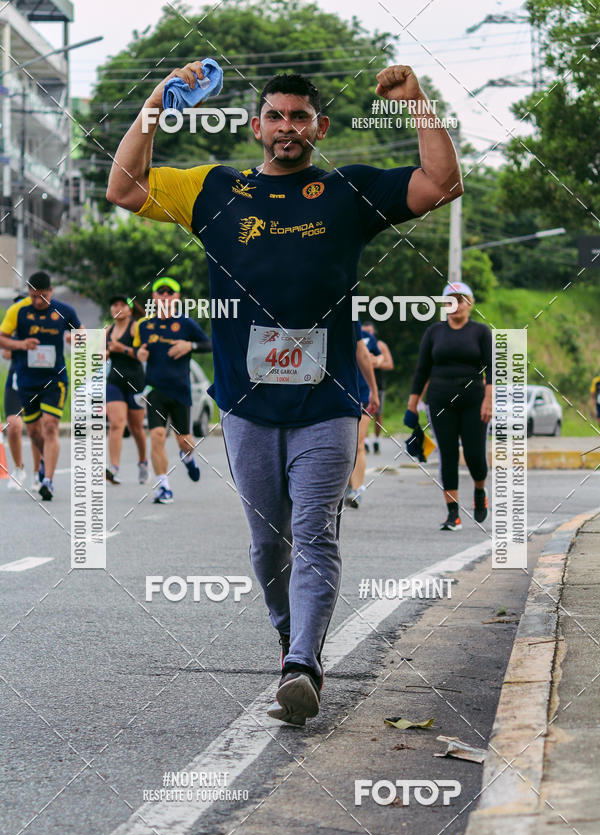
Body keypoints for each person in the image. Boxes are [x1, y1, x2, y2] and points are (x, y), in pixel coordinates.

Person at [107, 62, 463, 724]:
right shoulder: (214, 191)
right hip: (246, 409)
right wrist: (157, 102)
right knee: (268, 542)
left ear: (319, 127)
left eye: (300, 117)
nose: (287, 127)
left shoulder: (346, 192)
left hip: (328, 406)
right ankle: (289, 636)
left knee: (313, 531)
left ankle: (303, 664)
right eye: (276, 115)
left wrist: (416, 102)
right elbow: (124, 188)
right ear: (256, 127)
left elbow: (441, 183)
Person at [407, 281, 492, 531]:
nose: (455, 305)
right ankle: (453, 514)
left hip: (473, 400)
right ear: (445, 305)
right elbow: (422, 370)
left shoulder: (481, 332)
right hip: (440, 399)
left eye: (461, 299)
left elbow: (492, 369)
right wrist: (412, 406)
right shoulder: (434, 332)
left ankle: (479, 490)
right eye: (450, 301)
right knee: (448, 455)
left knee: (475, 454)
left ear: (470, 303)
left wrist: (489, 400)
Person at [0, 272, 82, 501]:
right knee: (35, 431)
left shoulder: (64, 310)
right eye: (33, 296)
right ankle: (44, 462)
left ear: (51, 291)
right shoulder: (18, 311)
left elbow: (82, 334)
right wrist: (21, 344)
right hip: (27, 381)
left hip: (55, 380)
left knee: (51, 426)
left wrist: (74, 339)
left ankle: (48, 481)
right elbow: (2, 338)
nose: (38, 301)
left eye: (42, 297)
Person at [133, 277, 211, 504]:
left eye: (170, 293)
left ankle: (188, 459)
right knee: (156, 436)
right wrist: (140, 355)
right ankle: (163, 486)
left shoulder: (186, 324)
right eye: (160, 292)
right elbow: (139, 350)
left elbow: (209, 344)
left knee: (184, 441)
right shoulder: (145, 325)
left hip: (180, 390)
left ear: (177, 297)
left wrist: (190, 345)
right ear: (154, 298)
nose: (165, 296)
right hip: (155, 389)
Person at [105, 295, 148, 484]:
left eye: (123, 305)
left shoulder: (136, 327)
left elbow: (141, 356)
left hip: (135, 382)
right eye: (114, 304)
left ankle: (143, 462)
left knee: (136, 428)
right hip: (114, 382)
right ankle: (113, 467)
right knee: (116, 423)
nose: (118, 308)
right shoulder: (108, 331)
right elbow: (99, 353)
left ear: (130, 309)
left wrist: (120, 348)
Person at [2, 296, 41, 490]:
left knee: (36, 429)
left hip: (38, 383)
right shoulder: (12, 331)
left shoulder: (42, 327)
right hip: (16, 382)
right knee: (13, 425)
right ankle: (19, 468)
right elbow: (6, 353)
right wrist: (20, 345)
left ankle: (38, 473)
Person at [345, 325, 380, 509]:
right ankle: (346, 485)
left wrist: (374, 391)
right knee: (344, 445)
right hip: (339, 394)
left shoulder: (366, 337)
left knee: (358, 443)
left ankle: (356, 490)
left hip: (362, 393)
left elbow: (380, 357)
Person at [362, 322, 393, 454]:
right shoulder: (360, 344)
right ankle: (364, 440)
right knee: (363, 414)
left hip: (378, 385)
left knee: (377, 413)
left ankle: (376, 439)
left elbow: (389, 364)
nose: (368, 334)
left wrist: (373, 363)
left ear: (374, 332)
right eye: (365, 331)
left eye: (370, 331)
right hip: (362, 385)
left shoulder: (380, 345)